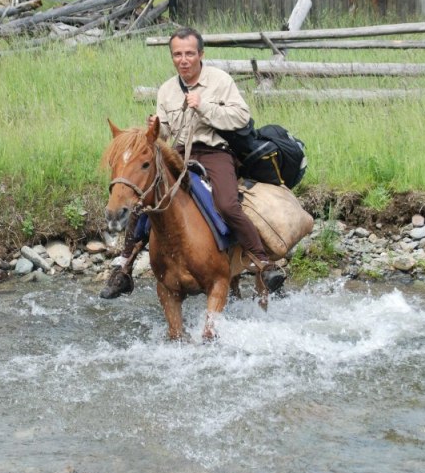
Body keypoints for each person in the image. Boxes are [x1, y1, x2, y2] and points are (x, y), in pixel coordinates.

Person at [100, 27, 286, 299]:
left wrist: (204, 107)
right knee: (145, 200)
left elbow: (241, 118)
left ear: (201, 54)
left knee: (226, 203)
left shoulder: (220, 80)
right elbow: (165, 135)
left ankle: (262, 262)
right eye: (178, 54)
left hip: (214, 151)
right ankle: (124, 268)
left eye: (189, 53)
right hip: (177, 153)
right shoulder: (166, 90)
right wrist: (155, 129)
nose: (183, 59)